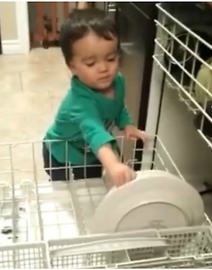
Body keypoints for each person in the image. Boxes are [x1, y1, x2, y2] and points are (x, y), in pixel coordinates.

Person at [42, 8, 147, 187]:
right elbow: (95, 133)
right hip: (63, 154)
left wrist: (127, 124)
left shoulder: (118, 81)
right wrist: (113, 165)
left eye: (111, 58)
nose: (103, 68)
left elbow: (118, 106)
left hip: (91, 152)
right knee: (67, 193)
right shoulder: (79, 102)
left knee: (92, 185)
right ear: (72, 67)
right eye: (91, 63)